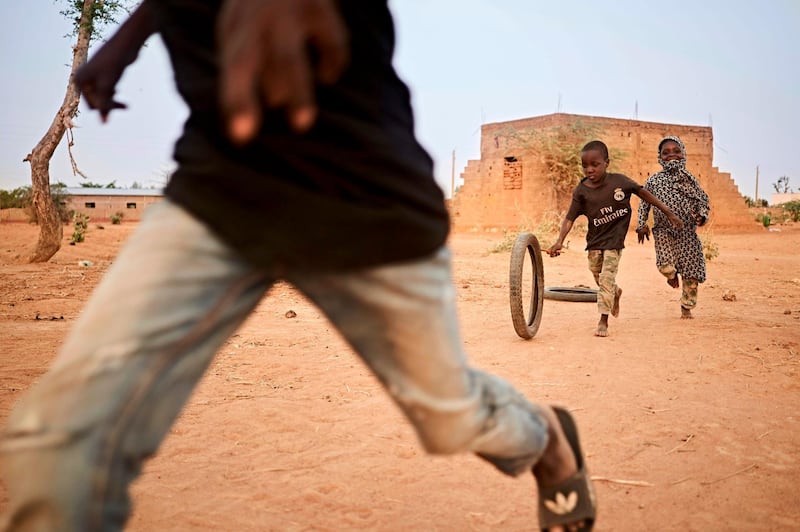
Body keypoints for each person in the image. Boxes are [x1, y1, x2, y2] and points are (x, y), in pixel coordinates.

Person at [0, 1, 596, 530]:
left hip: (364, 198)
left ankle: (547, 438)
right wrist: (128, 38)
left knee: (449, 417)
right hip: (217, 192)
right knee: (58, 450)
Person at [546, 140, 683, 337]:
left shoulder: (619, 182)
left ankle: (603, 320)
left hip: (614, 241)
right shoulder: (581, 191)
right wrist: (559, 241)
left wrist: (668, 212)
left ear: (606, 163)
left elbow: (642, 192)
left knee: (606, 279)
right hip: (594, 242)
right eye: (585, 165)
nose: (589, 169)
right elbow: (569, 218)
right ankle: (616, 292)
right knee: (596, 273)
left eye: (595, 164)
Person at [636, 136, 710, 319]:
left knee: (691, 272)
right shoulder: (654, 181)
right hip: (663, 231)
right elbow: (644, 203)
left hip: (687, 233)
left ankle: (687, 307)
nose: (672, 155)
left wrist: (701, 216)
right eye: (666, 152)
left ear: (683, 153)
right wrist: (641, 224)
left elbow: (702, 200)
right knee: (665, 265)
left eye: (676, 151)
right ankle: (671, 276)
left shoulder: (690, 180)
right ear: (660, 157)